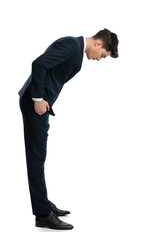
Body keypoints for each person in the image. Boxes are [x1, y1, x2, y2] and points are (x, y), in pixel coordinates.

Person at [18, 28, 119, 230]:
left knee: (39, 157)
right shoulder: (72, 47)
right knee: (36, 159)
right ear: (99, 44)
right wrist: (37, 98)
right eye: (103, 56)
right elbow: (39, 64)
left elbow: (48, 70)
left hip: (40, 105)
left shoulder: (73, 46)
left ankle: (43, 202)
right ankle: (42, 214)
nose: (99, 59)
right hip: (35, 105)